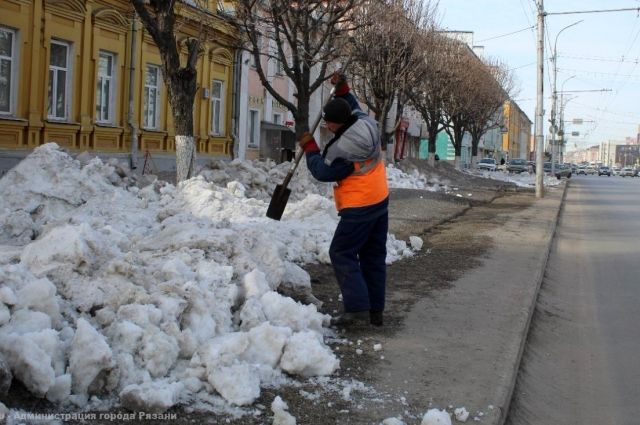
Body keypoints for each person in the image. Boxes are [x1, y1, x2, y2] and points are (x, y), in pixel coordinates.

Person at [298, 74, 389, 327]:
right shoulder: (364, 121)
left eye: (329, 124)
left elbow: (323, 172)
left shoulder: (343, 148)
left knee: (341, 251)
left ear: (337, 124)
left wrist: (310, 148)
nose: (327, 127)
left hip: (360, 205)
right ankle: (375, 312)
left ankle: (358, 310)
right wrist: (343, 89)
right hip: (380, 198)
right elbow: (353, 104)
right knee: (373, 255)